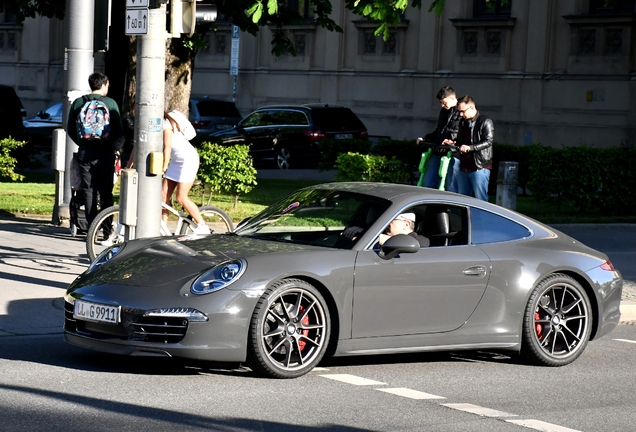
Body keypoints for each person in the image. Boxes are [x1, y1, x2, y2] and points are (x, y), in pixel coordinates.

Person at [67, 72, 124, 239]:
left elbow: (70, 128)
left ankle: (91, 231)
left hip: (85, 153)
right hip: (105, 153)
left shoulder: (79, 102)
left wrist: (83, 142)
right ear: (104, 85)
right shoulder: (110, 103)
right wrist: (113, 147)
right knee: (106, 193)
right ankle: (107, 231)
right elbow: (118, 129)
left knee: (89, 191)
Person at [162, 110, 210, 234]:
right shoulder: (156, 124)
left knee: (181, 197)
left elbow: (167, 148)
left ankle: (202, 225)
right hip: (177, 160)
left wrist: (163, 168)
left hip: (187, 159)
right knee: (163, 196)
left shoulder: (165, 123)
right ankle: (163, 229)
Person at [443, 95, 493, 202]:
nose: (461, 114)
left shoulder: (485, 121)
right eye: (459, 111)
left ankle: (482, 219)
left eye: (463, 111)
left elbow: (488, 141)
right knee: (463, 201)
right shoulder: (463, 122)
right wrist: (452, 143)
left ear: (471, 108)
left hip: (479, 167)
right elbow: (461, 142)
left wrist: (470, 148)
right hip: (464, 167)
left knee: (481, 200)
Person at [417, 86, 461, 192]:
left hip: (454, 153)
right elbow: (439, 131)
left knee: (451, 187)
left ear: (452, 98)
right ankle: (430, 207)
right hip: (439, 150)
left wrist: (453, 141)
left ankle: (451, 208)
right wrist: (426, 138)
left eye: (444, 102)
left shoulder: (461, 110)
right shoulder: (443, 112)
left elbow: (465, 133)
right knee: (427, 184)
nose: (442, 105)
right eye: (441, 103)